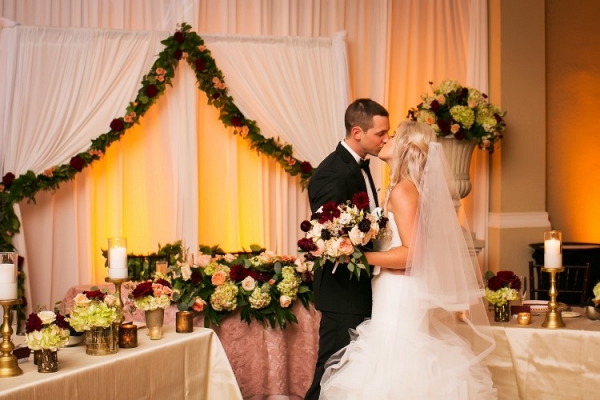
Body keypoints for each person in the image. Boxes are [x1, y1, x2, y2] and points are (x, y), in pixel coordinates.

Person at [319, 120, 497, 399]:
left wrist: (358, 257)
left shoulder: (403, 191)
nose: (387, 139)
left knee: (396, 364)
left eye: (394, 136)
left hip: (399, 292)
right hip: (397, 288)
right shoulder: (409, 188)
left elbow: (413, 253)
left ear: (406, 147)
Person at [305, 98, 390, 400]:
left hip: (360, 287)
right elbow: (328, 236)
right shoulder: (332, 172)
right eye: (380, 133)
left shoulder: (359, 167)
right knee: (331, 370)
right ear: (357, 132)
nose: (385, 139)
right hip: (342, 289)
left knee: (351, 374)